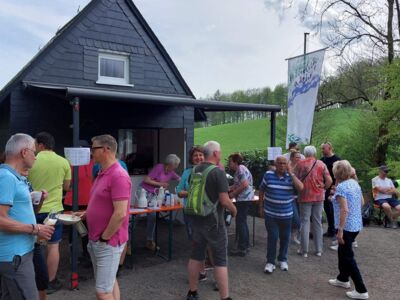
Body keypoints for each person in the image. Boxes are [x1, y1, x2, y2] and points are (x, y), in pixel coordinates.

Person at [0, 134, 54, 300]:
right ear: (24, 152)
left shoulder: (16, 177)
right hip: (15, 256)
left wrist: (38, 202)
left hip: (20, 253)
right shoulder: (6, 177)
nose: (36, 158)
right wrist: (35, 229)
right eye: (34, 153)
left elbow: (19, 213)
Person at [83, 134, 131, 300]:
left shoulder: (118, 175)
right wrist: (85, 214)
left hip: (107, 242)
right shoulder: (102, 173)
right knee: (109, 283)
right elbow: (101, 203)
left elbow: (120, 213)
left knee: (103, 292)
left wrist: (104, 238)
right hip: (97, 239)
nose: (91, 152)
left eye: (93, 148)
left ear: (106, 149)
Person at [186, 141, 237, 300]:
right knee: (220, 261)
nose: (221, 154)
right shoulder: (217, 172)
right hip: (214, 223)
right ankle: (225, 297)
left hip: (196, 219)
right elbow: (224, 200)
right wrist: (234, 210)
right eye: (220, 152)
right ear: (215, 153)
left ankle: (192, 292)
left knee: (196, 256)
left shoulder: (194, 170)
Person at [28, 132, 71, 294]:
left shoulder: (33, 160)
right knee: (53, 246)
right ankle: (50, 281)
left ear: (40, 145)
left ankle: (32, 279)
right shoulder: (64, 161)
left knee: (32, 245)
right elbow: (67, 187)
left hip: (32, 208)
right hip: (54, 211)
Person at [328, 160, 369, 300]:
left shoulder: (341, 188)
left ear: (336, 173)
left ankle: (361, 290)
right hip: (356, 225)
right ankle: (343, 279)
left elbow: (344, 209)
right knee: (342, 251)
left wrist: (340, 230)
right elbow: (362, 202)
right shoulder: (354, 183)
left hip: (346, 227)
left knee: (348, 257)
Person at [259, 156, 303, 273]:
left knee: (285, 238)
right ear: (275, 164)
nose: (282, 165)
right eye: (280, 163)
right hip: (271, 214)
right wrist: (261, 207)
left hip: (286, 214)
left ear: (287, 164)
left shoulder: (291, 177)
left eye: (284, 163)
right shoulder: (268, 175)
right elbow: (261, 190)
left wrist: (291, 173)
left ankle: (282, 259)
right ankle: (270, 262)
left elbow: (301, 188)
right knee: (272, 237)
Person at [176, 145, 209, 281]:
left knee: (207, 241)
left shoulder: (210, 171)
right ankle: (201, 271)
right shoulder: (187, 172)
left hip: (207, 212)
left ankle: (204, 268)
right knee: (195, 241)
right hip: (190, 212)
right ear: (191, 158)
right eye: (195, 155)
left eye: (201, 155)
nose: (198, 157)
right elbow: (179, 191)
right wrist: (193, 192)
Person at [296, 145, 332, 257]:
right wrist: (324, 188)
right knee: (317, 222)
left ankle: (304, 250)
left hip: (305, 196)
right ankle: (319, 250)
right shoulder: (321, 164)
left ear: (305, 153)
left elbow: (295, 178)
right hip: (318, 197)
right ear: (315, 153)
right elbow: (329, 180)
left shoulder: (300, 164)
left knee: (305, 221)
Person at [140, 154, 181, 251]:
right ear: (170, 164)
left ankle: (149, 241)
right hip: (144, 192)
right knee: (136, 216)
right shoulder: (159, 167)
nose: (176, 167)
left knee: (152, 216)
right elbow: (146, 179)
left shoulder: (171, 172)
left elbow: (180, 179)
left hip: (154, 196)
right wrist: (160, 184)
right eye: (175, 165)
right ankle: (127, 243)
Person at [64, 140, 94, 266]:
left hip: (89, 202)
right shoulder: (71, 164)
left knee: (87, 231)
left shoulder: (95, 163)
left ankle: (87, 255)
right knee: (73, 231)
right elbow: (66, 185)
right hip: (72, 202)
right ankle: (73, 256)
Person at [227, 152, 254, 257]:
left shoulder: (241, 169)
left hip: (244, 199)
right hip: (244, 198)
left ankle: (242, 248)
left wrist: (233, 194)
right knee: (242, 221)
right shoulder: (239, 170)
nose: (229, 164)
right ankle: (245, 245)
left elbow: (244, 184)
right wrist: (229, 188)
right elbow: (238, 184)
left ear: (235, 162)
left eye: (230, 162)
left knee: (240, 222)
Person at [320, 142, 341, 238]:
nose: (322, 150)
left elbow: (340, 174)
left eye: (323, 148)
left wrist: (335, 187)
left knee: (333, 209)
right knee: (328, 209)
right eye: (321, 149)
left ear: (330, 148)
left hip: (333, 187)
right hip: (324, 187)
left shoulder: (337, 160)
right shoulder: (321, 160)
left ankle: (335, 230)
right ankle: (331, 229)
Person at [289, 150, 303, 245]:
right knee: (296, 219)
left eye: (300, 157)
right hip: (291, 197)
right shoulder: (288, 168)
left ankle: (293, 236)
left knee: (299, 218)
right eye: (297, 157)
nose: (299, 159)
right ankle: (290, 236)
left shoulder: (301, 168)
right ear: (292, 158)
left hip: (300, 196)